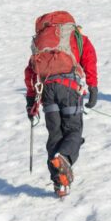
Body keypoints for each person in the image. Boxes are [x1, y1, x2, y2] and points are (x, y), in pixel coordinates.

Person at [24, 11, 98, 197]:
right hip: (69, 88)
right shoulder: (76, 36)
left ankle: (59, 183)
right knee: (73, 130)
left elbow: (31, 71)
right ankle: (64, 157)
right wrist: (93, 86)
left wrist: (31, 101)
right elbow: (89, 58)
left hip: (47, 91)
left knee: (55, 135)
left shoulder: (40, 41)